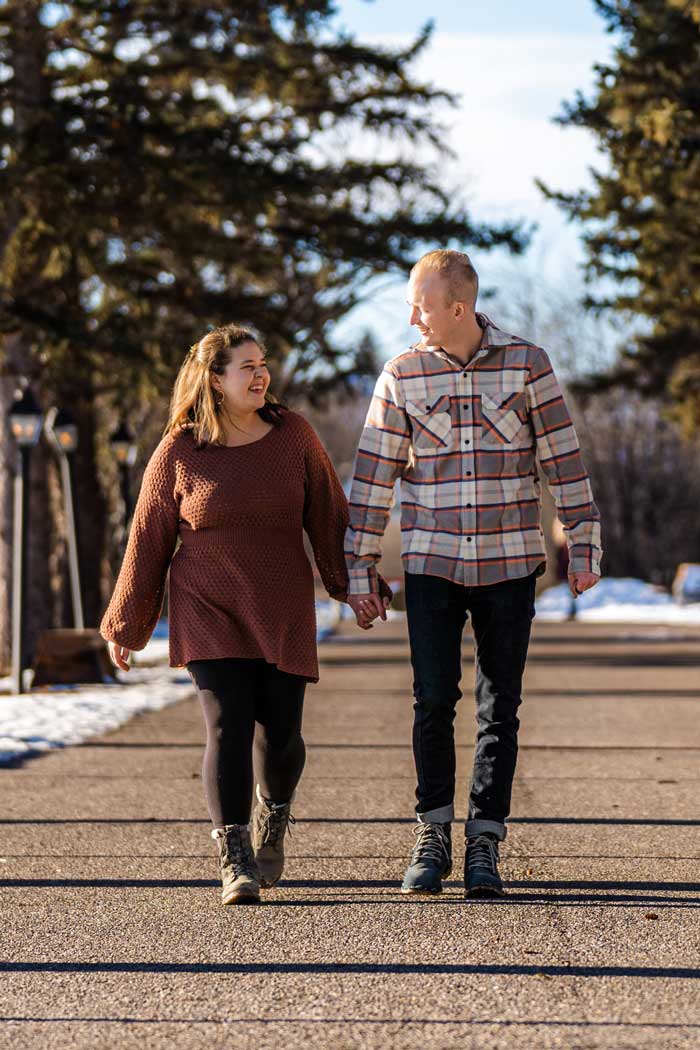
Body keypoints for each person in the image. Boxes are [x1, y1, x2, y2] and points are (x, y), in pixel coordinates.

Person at [100, 323, 388, 905]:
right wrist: (127, 622)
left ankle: (273, 812)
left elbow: (329, 517)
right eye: (247, 366)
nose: (261, 375)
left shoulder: (294, 437)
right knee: (227, 725)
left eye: (263, 364)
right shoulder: (180, 449)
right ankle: (234, 857)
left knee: (281, 739)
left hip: (280, 598)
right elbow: (149, 537)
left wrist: (353, 584)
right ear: (215, 378)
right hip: (207, 603)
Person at [345, 250, 602, 898]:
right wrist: (360, 564)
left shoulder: (527, 364)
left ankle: (485, 840)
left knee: (499, 707)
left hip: (510, 561)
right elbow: (374, 476)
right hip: (431, 562)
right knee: (432, 700)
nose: (412, 317)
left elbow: (563, 460)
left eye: (421, 305)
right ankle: (431, 833)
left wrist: (584, 543)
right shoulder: (401, 375)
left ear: (457, 308)